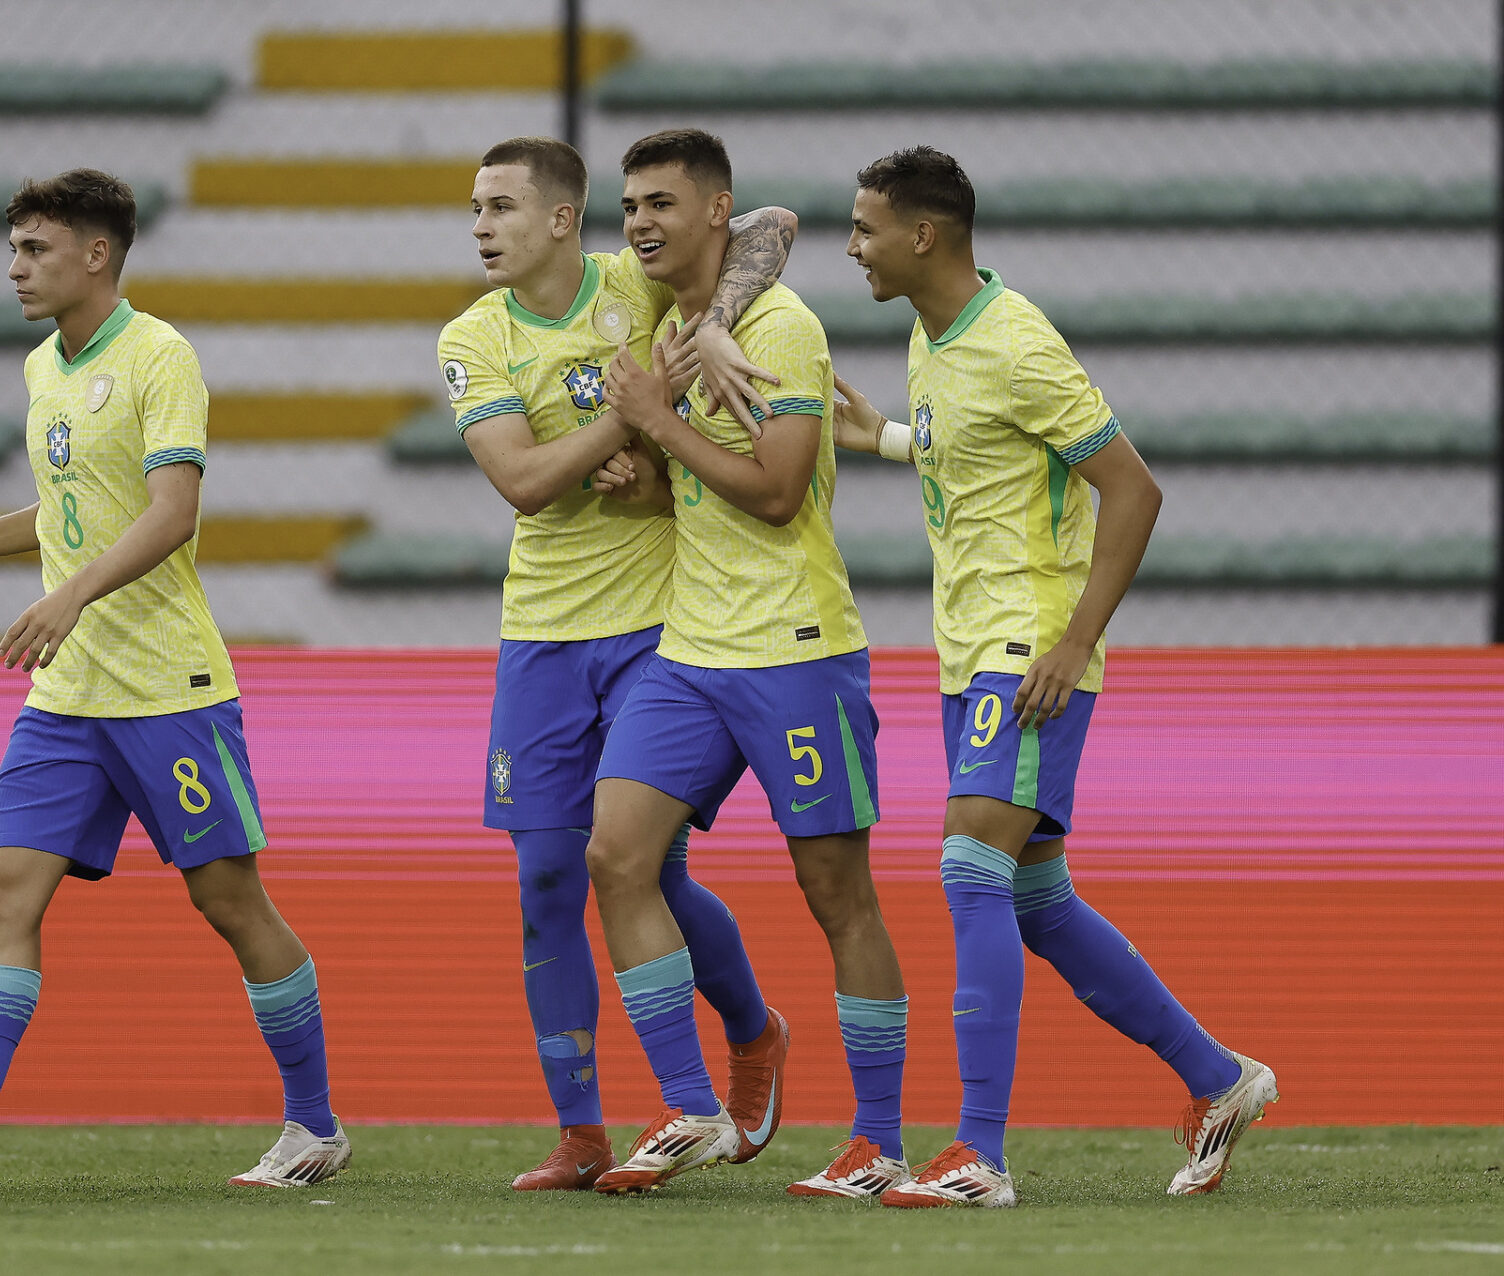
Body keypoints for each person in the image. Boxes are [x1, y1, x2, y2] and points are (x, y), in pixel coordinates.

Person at [0, 169, 348, 1190]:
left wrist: (70, 598)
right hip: (68, 698)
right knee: (2, 894)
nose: (16, 266)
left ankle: (315, 1126)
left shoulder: (160, 355)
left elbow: (170, 512)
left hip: (169, 685)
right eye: (15, 248)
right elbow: (73, 506)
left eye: (35, 247)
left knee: (230, 901)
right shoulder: (44, 369)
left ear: (96, 254)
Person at [830, 145, 1277, 1208]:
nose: (853, 245)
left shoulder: (1019, 341)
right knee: (1035, 897)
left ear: (923, 234)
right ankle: (1221, 1080)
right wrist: (887, 436)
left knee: (966, 869)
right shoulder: (934, 332)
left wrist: (1073, 642)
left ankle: (978, 1152)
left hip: (1027, 649)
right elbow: (981, 458)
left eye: (865, 227)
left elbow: (1132, 490)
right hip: (966, 650)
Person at [437, 136, 797, 1190]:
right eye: (474, 208)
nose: (480, 227)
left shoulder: (631, 288)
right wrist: (631, 416)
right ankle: (583, 1129)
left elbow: (772, 223)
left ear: (560, 220)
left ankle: (727, 1059)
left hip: (660, 631)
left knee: (637, 862)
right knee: (548, 882)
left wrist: (711, 329)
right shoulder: (472, 336)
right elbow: (524, 481)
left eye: (500, 206)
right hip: (542, 637)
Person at [581, 130, 909, 1198]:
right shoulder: (677, 319)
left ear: (713, 210)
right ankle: (690, 1106)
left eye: (662, 203)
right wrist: (628, 465)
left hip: (795, 648)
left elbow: (775, 491)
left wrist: (654, 421)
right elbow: (673, 488)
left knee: (836, 892)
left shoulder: (787, 326)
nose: (639, 223)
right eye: (630, 204)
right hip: (692, 649)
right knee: (616, 856)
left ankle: (878, 1139)